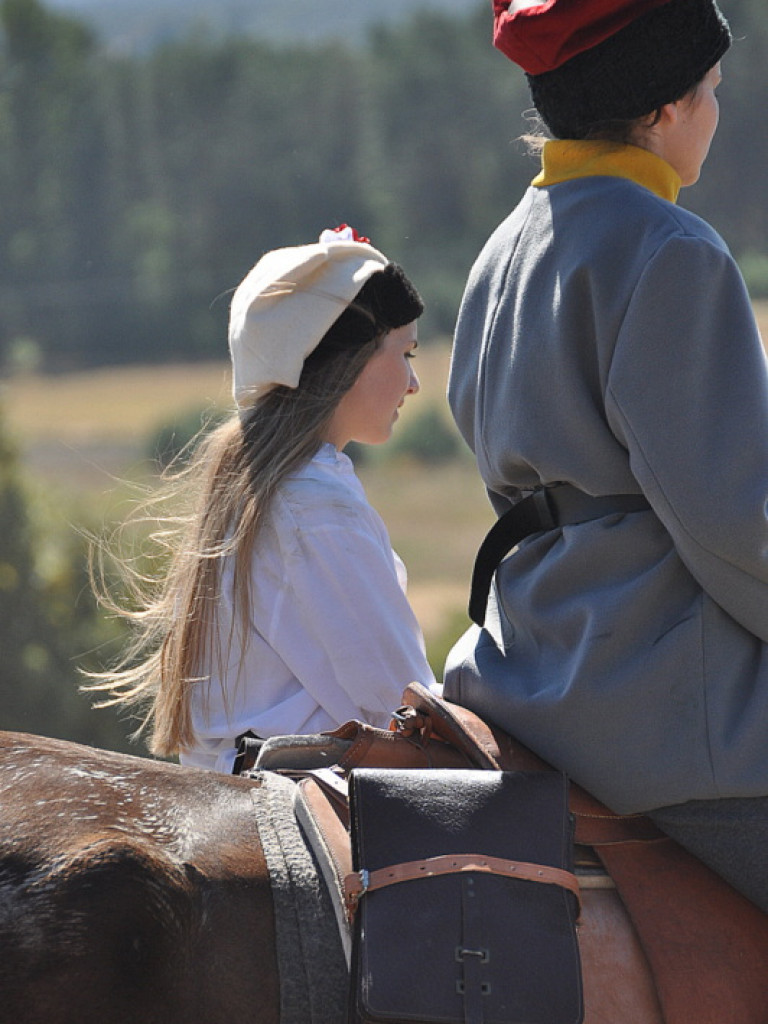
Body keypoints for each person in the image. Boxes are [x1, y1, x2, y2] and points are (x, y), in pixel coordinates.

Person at [445, 0, 768, 912]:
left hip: (525, 662)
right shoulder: (672, 249)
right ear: (664, 110)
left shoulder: (502, 249)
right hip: (660, 700)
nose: (717, 106)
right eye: (710, 88)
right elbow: (736, 521)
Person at [89, 225, 436, 774]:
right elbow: (402, 703)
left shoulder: (257, 487)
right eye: (405, 353)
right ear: (345, 362)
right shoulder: (315, 505)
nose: (413, 383)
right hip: (294, 804)